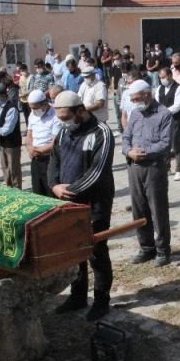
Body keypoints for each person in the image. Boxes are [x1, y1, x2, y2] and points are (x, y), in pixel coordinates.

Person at [49, 90, 116, 322]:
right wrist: (54, 185)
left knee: (96, 251)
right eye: (59, 118)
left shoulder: (102, 133)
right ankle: (78, 296)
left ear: (80, 111)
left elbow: (97, 172)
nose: (63, 122)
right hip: (67, 202)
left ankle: (101, 300)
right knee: (73, 250)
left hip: (94, 202)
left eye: (66, 117)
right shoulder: (63, 132)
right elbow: (54, 161)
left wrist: (70, 190)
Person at [121, 79, 173, 266]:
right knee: (139, 209)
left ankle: (162, 250)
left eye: (136, 99)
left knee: (158, 210)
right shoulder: (135, 114)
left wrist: (144, 153)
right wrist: (129, 151)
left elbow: (165, 144)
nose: (135, 103)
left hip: (153, 168)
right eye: (132, 99)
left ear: (147, 94)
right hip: (134, 168)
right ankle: (146, 248)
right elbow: (126, 137)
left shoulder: (164, 114)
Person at [25, 89, 60, 195]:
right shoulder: (32, 114)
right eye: (31, 108)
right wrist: (30, 148)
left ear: (44, 104)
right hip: (35, 158)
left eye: (35, 108)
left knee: (50, 191)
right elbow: (29, 134)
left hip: (49, 159)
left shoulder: (55, 115)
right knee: (37, 190)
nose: (33, 110)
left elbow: (55, 141)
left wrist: (39, 150)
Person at [155, 67, 180, 180]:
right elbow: (157, 101)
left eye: (163, 77)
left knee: (176, 145)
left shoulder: (179, 88)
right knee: (164, 145)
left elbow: (178, 105)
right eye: (160, 78)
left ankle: (179, 170)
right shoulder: (159, 88)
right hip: (162, 121)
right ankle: (166, 167)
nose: (162, 80)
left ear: (170, 75)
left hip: (175, 120)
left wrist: (165, 112)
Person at [0, 83, 22, 189]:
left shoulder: (11, 108)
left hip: (11, 143)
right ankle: (9, 188)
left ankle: (17, 189)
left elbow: (8, 129)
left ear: (4, 96)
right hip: (1, 142)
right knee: (5, 167)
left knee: (14, 168)